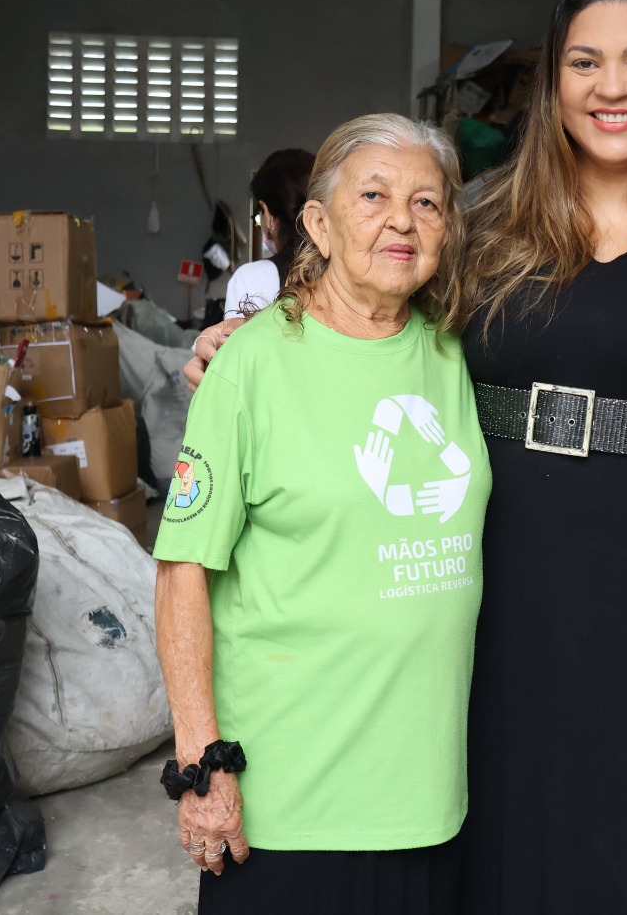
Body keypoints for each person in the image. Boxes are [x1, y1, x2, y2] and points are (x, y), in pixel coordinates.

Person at [189, 0, 627, 915]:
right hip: (487, 598)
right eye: (585, 63)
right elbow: (361, 308)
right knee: (493, 856)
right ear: (553, 87)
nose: (613, 87)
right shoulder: (484, 222)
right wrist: (250, 344)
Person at [153, 113, 489, 915]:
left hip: (427, 800)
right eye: (373, 195)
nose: (402, 220)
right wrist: (201, 766)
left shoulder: (456, 351)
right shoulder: (251, 367)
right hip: (291, 806)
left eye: (428, 203)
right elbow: (181, 573)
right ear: (318, 223)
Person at [221, 147, 317, 319]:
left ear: (267, 213)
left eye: (259, 215)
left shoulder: (250, 278)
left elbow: (239, 345)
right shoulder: (346, 272)